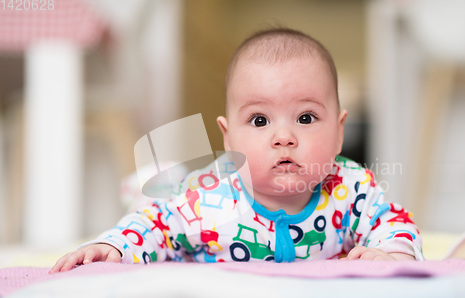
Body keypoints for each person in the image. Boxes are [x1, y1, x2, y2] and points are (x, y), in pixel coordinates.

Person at [50, 28, 423, 274]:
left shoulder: (351, 190)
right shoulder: (208, 198)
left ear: (339, 133)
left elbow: (395, 223)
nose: (284, 137)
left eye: (306, 117)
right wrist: (110, 245)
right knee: (157, 203)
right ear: (229, 140)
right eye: (259, 121)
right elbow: (156, 225)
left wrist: (391, 255)